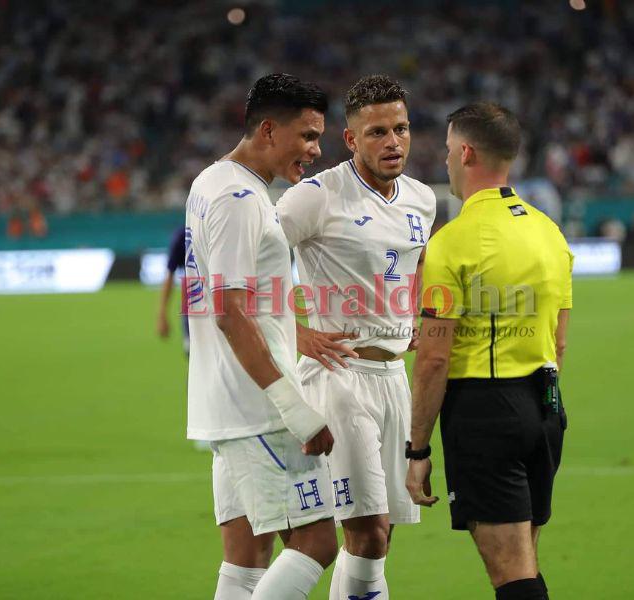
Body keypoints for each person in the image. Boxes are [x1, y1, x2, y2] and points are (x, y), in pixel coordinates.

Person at [276, 74, 436, 600]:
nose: (393, 142)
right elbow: (249, 264)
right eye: (377, 132)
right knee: (366, 532)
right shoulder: (316, 197)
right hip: (338, 377)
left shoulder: (422, 199)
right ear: (350, 139)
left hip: (394, 379)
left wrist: (410, 313)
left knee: (380, 538)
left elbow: (416, 260)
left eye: (401, 129)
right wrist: (298, 333)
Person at [406, 102, 573, 600]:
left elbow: (434, 358)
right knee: (525, 562)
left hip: (485, 411)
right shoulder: (549, 232)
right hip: (546, 406)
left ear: (466, 153)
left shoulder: (452, 242)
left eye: (447, 150)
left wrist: (417, 450)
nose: (445, 160)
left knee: (513, 575)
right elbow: (559, 341)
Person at [185, 73, 338, 600]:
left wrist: (298, 333)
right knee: (317, 542)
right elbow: (229, 311)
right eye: (308, 136)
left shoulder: (210, 181)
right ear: (269, 130)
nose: (315, 150)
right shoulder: (238, 197)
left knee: (246, 558)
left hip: (229, 401)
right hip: (260, 409)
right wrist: (293, 407)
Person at [156, 225, 189, 354]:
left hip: (217, 307)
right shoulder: (183, 236)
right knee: (193, 355)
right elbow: (169, 276)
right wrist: (162, 314)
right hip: (193, 309)